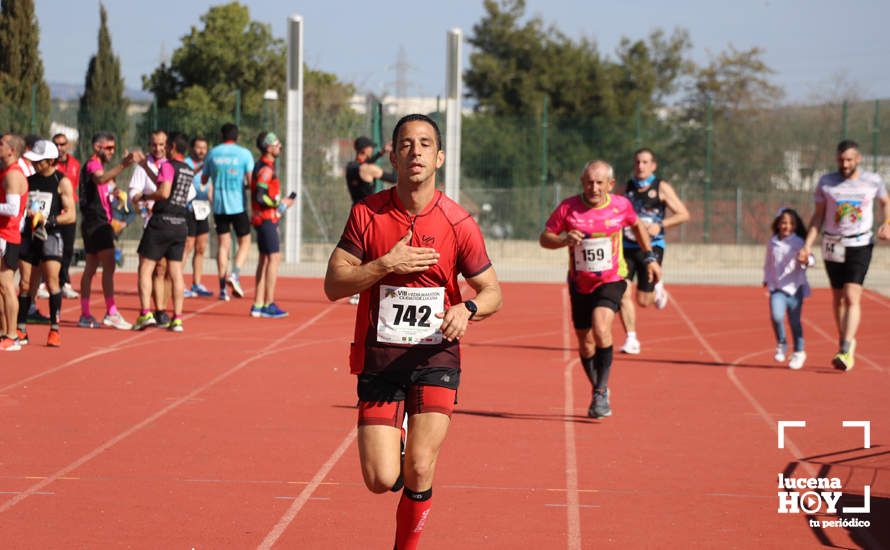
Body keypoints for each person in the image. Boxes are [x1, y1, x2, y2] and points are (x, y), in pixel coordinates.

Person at [324, 114, 502, 550]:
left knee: (421, 466)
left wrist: (469, 307)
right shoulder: (367, 213)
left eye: (425, 144)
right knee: (380, 478)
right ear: (393, 155)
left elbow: (492, 290)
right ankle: (397, 447)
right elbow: (333, 284)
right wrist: (385, 265)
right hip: (380, 358)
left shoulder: (458, 222)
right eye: (406, 144)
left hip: (435, 357)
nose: (416, 151)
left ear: (439, 157)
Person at [540, 160, 661, 419]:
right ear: (582, 182)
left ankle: (601, 389)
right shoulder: (568, 207)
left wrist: (649, 257)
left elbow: (637, 226)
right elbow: (545, 238)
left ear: (610, 184)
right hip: (579, 282)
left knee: (601, 326)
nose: (593, 188)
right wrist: (563, 240)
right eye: (588, 182)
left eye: (599, 183)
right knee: (585, 343)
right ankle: (598, 388)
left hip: (612, 278)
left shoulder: (620, 206)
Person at [798, 140, 890, 371]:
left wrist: (887, 223)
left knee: (851, 295)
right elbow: (818, 216)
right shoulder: (826, 182)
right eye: (841, 159)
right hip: (832, 244)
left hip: (860, 243)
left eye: (849, 159)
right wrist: (807, 245)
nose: (845, 164)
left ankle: (845, 349)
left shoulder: (873, 181)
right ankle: (845, 341)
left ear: (858, 159)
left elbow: (885, 202)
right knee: (838, 297)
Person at [617, 148, 689, 355]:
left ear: (653, 166)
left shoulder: (661, 187)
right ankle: (631, 339)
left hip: (652, 247)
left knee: (643, 301)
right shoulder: (627, 187)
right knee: (623, 292)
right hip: (627, 246)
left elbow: (684, 214)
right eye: (637, 162)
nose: (641, 166)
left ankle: (658, 286)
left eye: (645, 162)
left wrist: (661, 224)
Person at [77, 131, 142, 330]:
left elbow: (102, 186)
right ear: (98, 147)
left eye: (114, 148)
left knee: (90, 268)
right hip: (97, 223)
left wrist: (114, 194)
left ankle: (85, 313)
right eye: (109, 148)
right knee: (109, 266)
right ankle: (111, 312)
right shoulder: (93, 164)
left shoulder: (96, 165)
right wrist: (124, 164)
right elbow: (101, 178)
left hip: (93, 222)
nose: (112, 152)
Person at [15, 140, 76, 347]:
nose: (34, 164)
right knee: (24, 284)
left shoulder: (62, 181)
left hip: (50, 236)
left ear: (50, 160)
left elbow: (71, 215)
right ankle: (20, 329)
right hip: (28, 236)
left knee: (52, 282)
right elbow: (20, 207)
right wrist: (27, 215)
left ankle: (54, 329)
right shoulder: (28, 180)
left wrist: (48, 220)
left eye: (39, 161)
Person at [131, 132, 194, 332]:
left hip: (161, 222)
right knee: (176, 272)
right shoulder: (187, 169)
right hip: (180, 223)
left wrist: (145, 197)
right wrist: (145, 168)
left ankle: (145, 313)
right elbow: (173, 188)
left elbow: (164, 191)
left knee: (145, 267)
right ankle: (177, 318)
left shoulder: (168, 166)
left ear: (171, 146)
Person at [202, 123, 254, 301]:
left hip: (218, 206)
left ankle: (222, 288)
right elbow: (251, 181)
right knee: (245, 242)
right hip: (238, 205)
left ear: (221, 136)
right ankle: (235, 273)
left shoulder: (213, 153)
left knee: (223, 245)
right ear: (237, 136)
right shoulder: (244, 154)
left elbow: (203, 178)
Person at [128, 130, 173, 327]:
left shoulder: (171, 166)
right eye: (155, 144)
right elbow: (134, 192)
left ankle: (161, 310)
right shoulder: (142, 167)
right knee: (148, 267)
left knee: (164, 269)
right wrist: (142, 202)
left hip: (170, 222)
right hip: (151, 223)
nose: (158, 148)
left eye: (162, 144)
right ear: (150, 145)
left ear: (167, 145)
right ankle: (146, 310)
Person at [345, 136, 396, 304]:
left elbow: (363, 165)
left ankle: (355, 290)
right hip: (369, 214)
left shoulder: (351, 167)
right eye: (371, 149)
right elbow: (394, 178)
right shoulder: (369, 169)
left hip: (355, 212)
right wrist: (395, 158)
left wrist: (381, 153)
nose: (372, 151)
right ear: (365, 150)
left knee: (356, 253)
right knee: (372, 252)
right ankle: (364, 288)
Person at [249, 131, 293, 319]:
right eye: (277, 144)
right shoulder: (266, 168)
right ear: (268, 147)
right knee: (274, 259)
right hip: (266, 219)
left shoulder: (261, 165)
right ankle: (268, 303)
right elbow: (260, 195)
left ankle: (258, 304)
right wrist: (280, 204)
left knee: (264, 260)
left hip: (263, 218)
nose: (280, 147)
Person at [764, 208, 813, 370]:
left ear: (796, 225)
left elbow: (811, 260)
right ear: (778, 224)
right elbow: (768, 264)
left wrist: (805, 259)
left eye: (791, 223)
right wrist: (767, 280)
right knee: (777, 316)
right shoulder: (772, 242)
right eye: (784, 222)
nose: (787, 226)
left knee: (794, 321)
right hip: (777, 288)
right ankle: (782, 342)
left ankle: (799, 352)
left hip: (795, 288)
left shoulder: (799, 242)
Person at [0, 133, 28, 351]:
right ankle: (4, 333)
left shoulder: (13, 175)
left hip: (7, 236)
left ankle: (12, 335)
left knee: (7, 286)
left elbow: (12, 209)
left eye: (1, 144)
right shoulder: (8, 172)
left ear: (12, 150)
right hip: (5, 234)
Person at [183, 136, 213, 298]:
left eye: (204, 148)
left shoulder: (208, 165)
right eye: (198, 147)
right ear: (192, 148)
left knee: (201, 247)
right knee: (187, 246)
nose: (201, 150)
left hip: (202, 207)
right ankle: (179, 283)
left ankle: (197, 283)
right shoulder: (187, 163)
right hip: (188, 208)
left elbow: (210, 185)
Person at [52, 133, 81, 299]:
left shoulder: (75, 164)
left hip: (69, 214)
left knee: (68, 249)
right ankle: (45, 282)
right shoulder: (48, 164)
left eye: (63, 144)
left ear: (67, 145)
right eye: (56, 144)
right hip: (53, 213)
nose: (59, 148)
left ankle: (65, 282)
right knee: (50, 248)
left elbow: (75, 187)